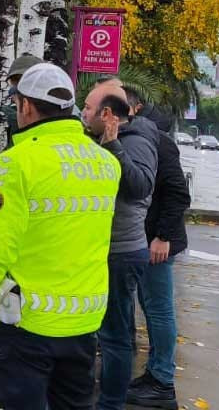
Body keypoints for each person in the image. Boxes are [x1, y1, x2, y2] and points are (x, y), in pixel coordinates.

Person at [0, 63, 121, 410]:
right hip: (83, 320)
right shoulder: (106, 163)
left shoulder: (16, 163)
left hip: (24, 323)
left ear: (26, 106)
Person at [82, 79, 159, 410]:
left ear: (108, 114)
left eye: (87, 108)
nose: (82, 113)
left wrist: (113, 146)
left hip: (121, 252)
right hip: (100, 248)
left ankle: (110, 403)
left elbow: (139, 186)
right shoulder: (99, 138)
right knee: (97, 332)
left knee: (115, 335)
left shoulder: (136, 141)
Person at [123, 88, 191, 410]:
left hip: (157, 243)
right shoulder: (135, 137)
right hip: (143, 239)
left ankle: (162, 381)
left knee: (159, 309)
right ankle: (153, 373)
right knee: (149, 306)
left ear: (135, 107)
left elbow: (178, 193)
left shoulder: (158, 141)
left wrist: (162, 237)